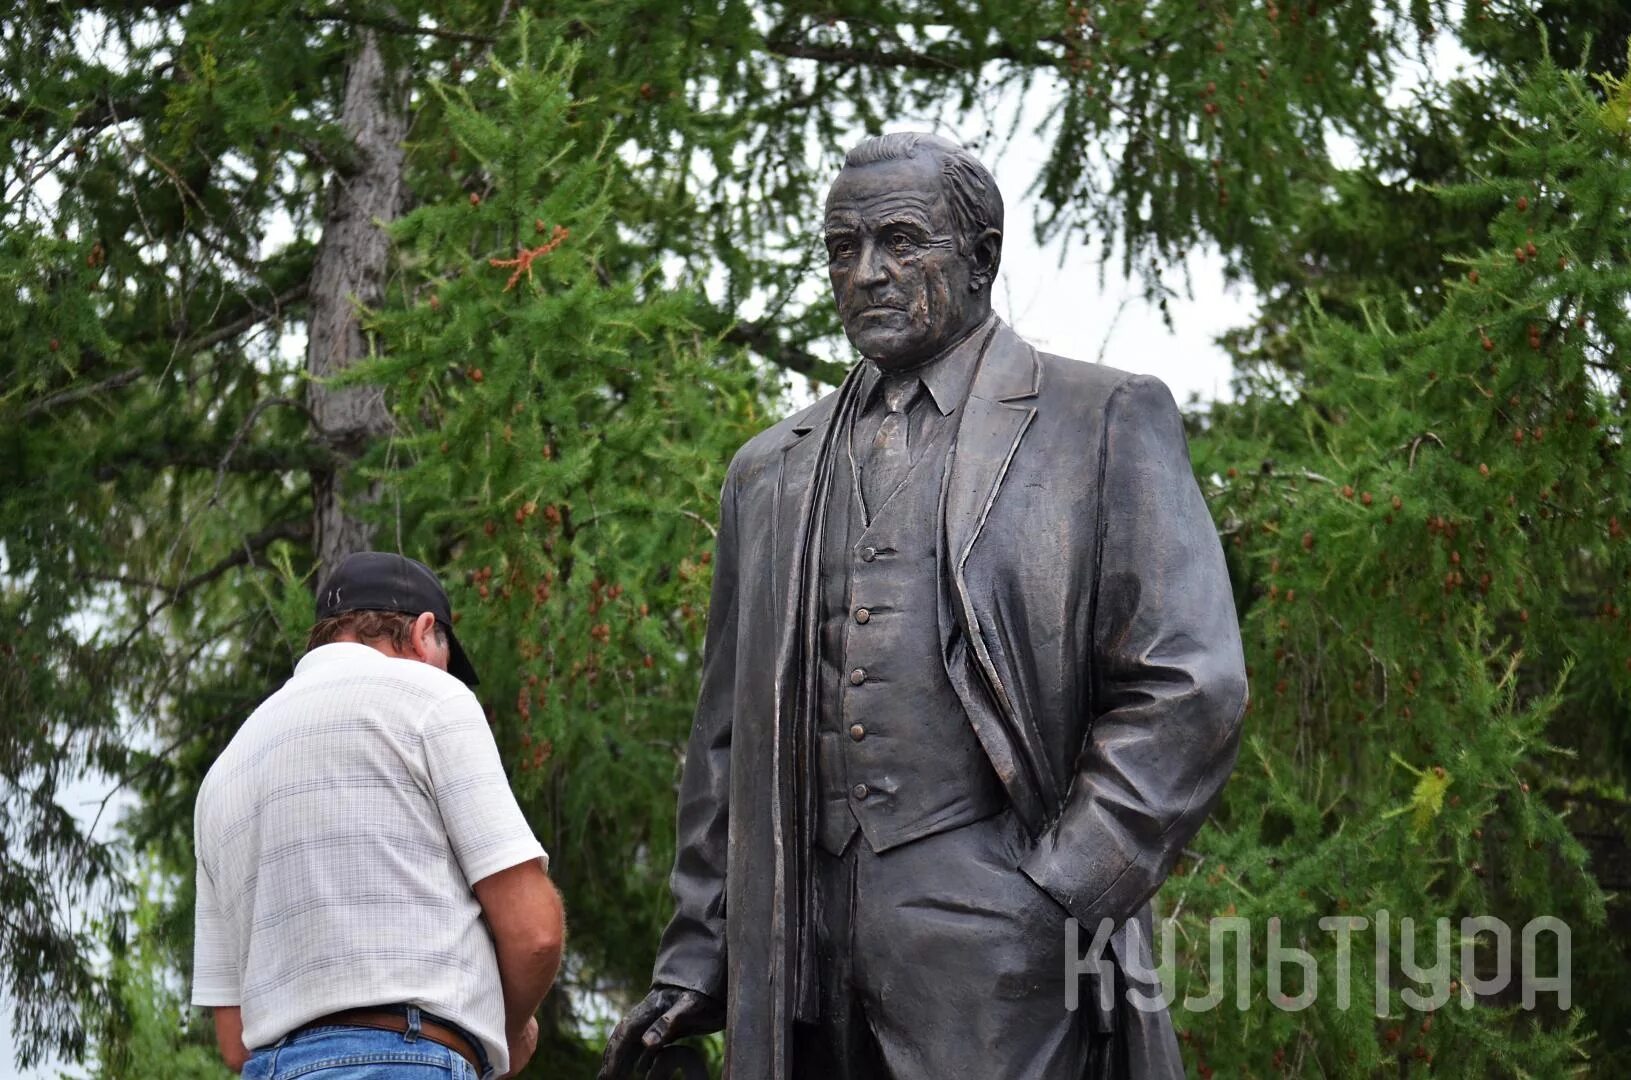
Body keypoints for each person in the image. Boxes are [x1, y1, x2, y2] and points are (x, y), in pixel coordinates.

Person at [600, 132, 1247, 1080]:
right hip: (795, 948)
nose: (866, 273)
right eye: (841, 248)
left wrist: (1061, 890)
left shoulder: (1099, 420)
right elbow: (723, 743)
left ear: (981, 256)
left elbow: (1190, 686)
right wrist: (701, 950)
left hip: (1002, 934)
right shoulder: (767, 471)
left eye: (901, 241)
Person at [192, 551, 564, 1079]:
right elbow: (535, 932)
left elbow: (233, 1038)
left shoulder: (224, 773)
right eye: (445, 656)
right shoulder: (433, 697)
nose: (447, 673)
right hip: (408, 1059)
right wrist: (508, 1030)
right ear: (423, 632)